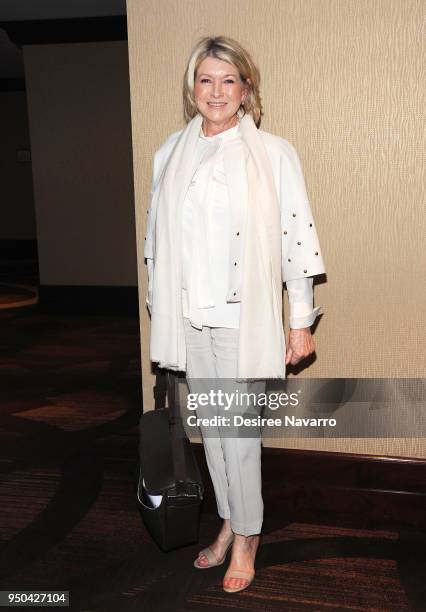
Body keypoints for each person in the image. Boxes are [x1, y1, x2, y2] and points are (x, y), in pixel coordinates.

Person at [144, 35, 326, 593]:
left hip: (242, 320)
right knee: (214, 434)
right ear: (192, 89)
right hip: (190, 317)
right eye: (206, 80)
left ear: (246, 90)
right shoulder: (170, 152)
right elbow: (156, 241)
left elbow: (296, 240)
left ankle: (247, 535)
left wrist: (299, 322)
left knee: (240, 435)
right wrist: (162, 310)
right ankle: (228, 519)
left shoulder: (273, 153)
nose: (216, 91)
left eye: (229, 81)